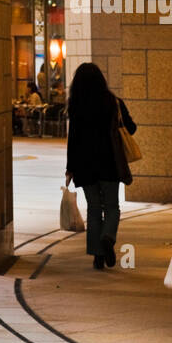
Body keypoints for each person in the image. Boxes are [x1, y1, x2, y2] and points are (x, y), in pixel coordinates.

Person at [65, 62, 136, 271]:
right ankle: (108, 237)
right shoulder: (113, 102)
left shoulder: (76, 104)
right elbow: (131, 128)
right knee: (112, 207)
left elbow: (73, 139)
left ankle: (97, 255)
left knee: (94, 209)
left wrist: (70, 167)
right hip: (110, 163)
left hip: (85, 166)